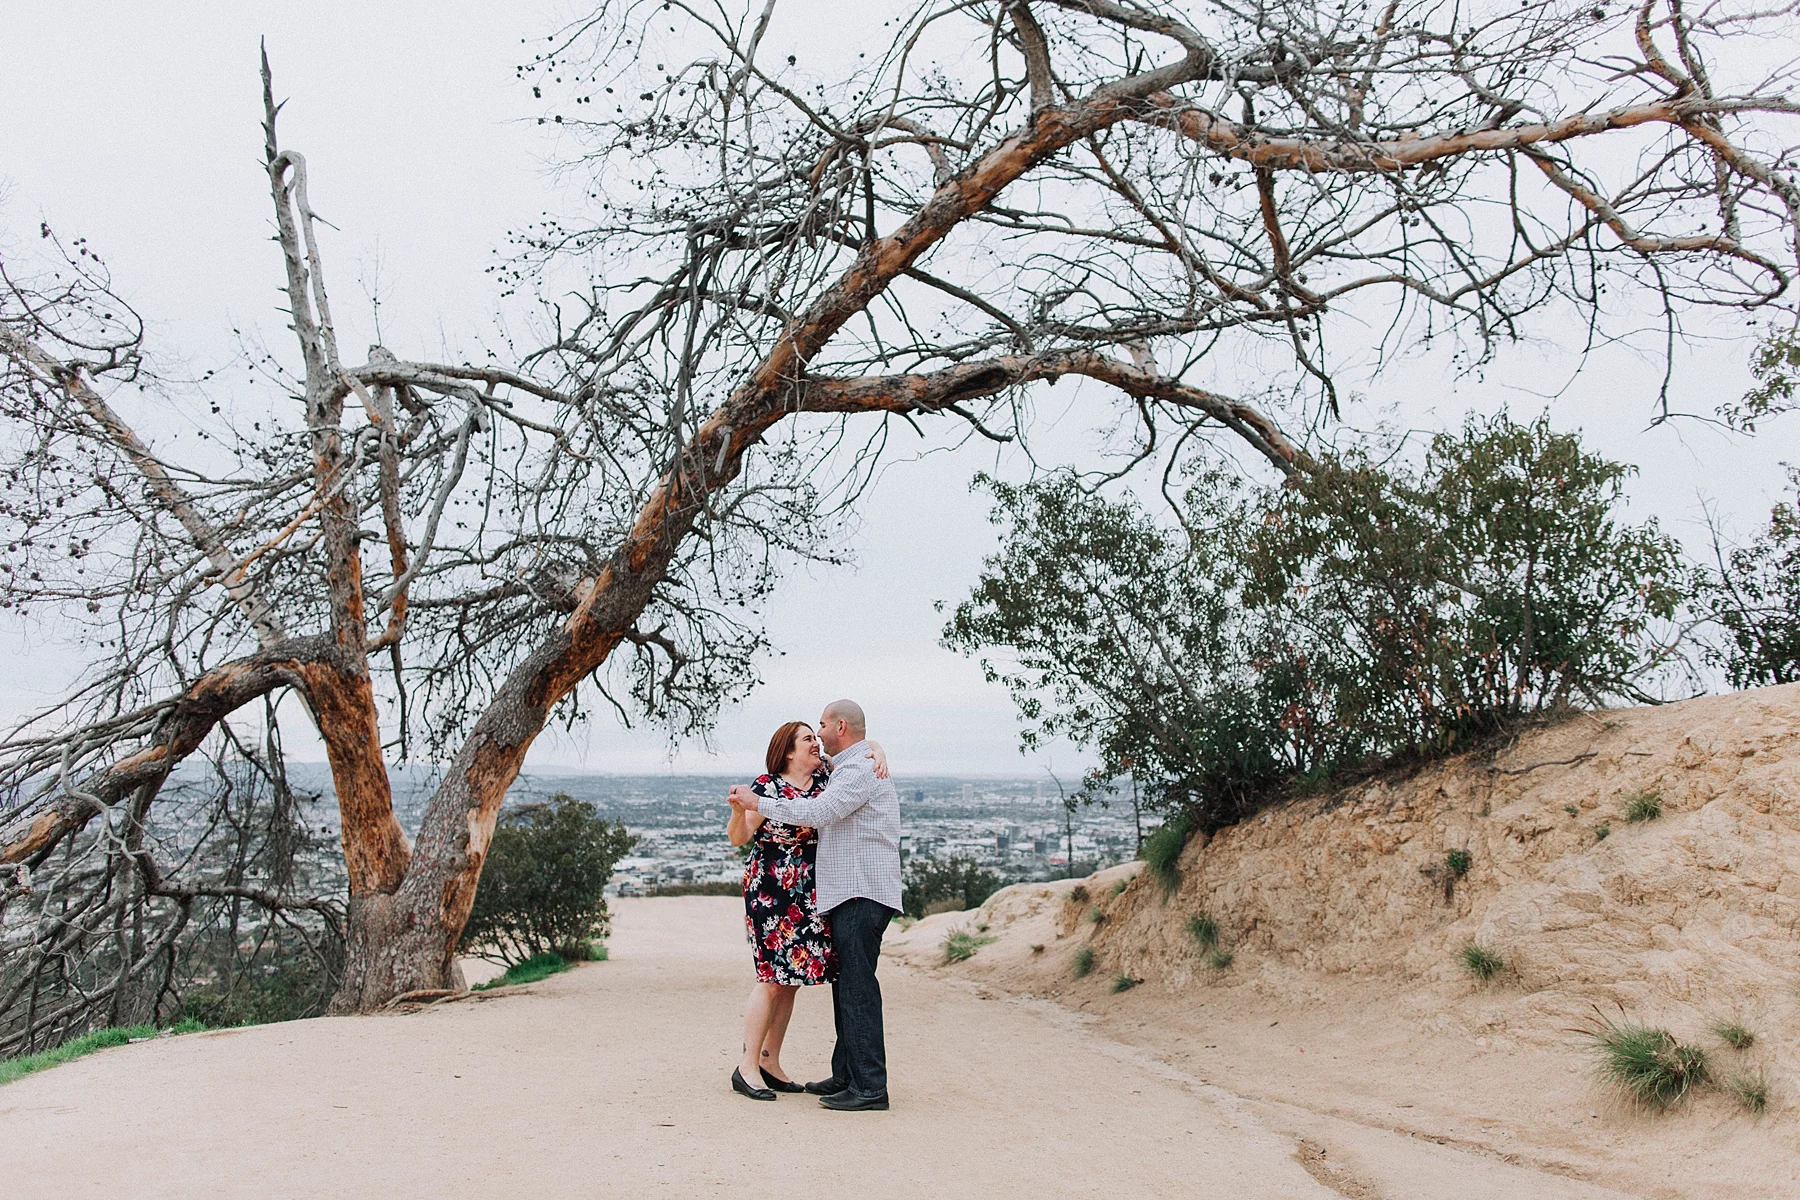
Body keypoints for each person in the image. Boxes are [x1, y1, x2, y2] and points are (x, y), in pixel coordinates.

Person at [729, 699, 902, 1112]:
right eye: (808, 736)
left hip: (827, 892)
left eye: (819, 728)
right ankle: (753, 1065)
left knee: (831, 984)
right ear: (787, 750)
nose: (817, 739)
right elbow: (739, 837)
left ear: (839, 727)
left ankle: (859, 1084)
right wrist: (745, 809)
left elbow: (825, 805)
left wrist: (875, 746)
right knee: (779, 978)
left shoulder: (836, 775)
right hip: (777, 890)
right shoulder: (772, 783)